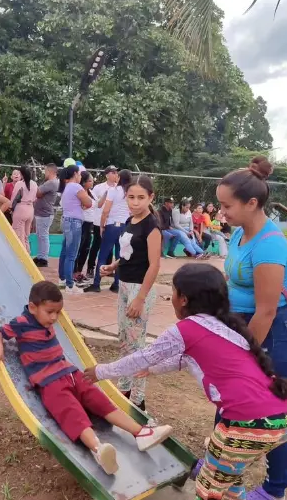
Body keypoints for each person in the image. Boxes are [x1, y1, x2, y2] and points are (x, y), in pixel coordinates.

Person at [84, 263, 287, 500]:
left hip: (246, 425)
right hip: (280, 419)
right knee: (228, 477)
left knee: (208, 488)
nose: (171, 297)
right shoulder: (225, 327)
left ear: (183, 299)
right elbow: (186, 360)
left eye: (173, 291)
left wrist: (101, 371)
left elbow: (144, 355)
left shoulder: (186, 329)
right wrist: (152, 370)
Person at [0, 281, 173, 475]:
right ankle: (99, 450)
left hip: (71, 373)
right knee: (73, 414)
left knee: (100, 401)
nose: (55, 317)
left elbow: (51, 316)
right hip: (49, 383)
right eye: (50, 312)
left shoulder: (45, 317)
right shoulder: (22, 323)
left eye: (58, 312)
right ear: (32, 307)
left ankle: (140, 432)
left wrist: (51, 315)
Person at [216, 155, 287, 500]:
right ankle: (220, 470)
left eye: (226, 205)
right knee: (229, 405)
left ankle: (274, 488)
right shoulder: (240, 233)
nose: (221, 212)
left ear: (252, 203)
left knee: (270, 417)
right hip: (243, 330)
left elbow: (265, 311)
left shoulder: (269, 245)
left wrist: (245, 353)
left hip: (272, 336)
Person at [94, 175, 161, 410]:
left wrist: (140, 298)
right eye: (131, 197)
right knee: (124, 339)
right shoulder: (130, 220)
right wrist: (113, 266)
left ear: (151, 198)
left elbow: (154, 264)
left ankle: (138, 400)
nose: (135, 202)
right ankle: (124, 387)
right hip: (124, 285)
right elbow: (127, 252)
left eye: (141, 198)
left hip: (139, 289)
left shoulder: (151, 226)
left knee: (137, 345)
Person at [84, 169, 132, 293]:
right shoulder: (130, 192)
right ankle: (116, 284)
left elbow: (106, 210)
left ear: (120, 178)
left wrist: (101, 225)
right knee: (120, 256)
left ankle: (96, 283)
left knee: (103, 255)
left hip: (112, 226)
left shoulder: (113, 190)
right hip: (125, 226)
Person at [58, 165, 93, 294]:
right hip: (74, 223)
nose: (80, 176)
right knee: (71, 254)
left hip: (67, 220)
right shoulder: (76, 187)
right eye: (79, 174)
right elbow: (88, 202)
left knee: (65, 252)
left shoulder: (67, 187)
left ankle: (62, 278)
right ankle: (70, 285)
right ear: (74, 174)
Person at [87, 166, 118, 277]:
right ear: (107, 175)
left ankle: (108, 268)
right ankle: (90, 268)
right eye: (113, 172)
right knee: (96, 245)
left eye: (116, 172)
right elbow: (95, 204)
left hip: (112, 221)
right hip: (98, 221)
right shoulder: (99, 188)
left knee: (109, 245)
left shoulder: (118, 188)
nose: (115, 174)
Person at [33, 163, 60, 268]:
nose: (45, 173)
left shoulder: (51, 183)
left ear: (50, 171)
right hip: (43, 212)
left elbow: (38, 192)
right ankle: (40, 256)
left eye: (46, 171)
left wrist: (39, 191)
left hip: (45, 213)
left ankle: (43, 258)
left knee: (43, 235)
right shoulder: (52, 182)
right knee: (40, 235)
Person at [73, 171, 95, 284]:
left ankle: (80, 271)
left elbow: (97, 204)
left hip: (90, 224)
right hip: (82, 222)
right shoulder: (81, 193)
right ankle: (74, 272)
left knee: (86, 248)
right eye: (90, 180)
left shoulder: (91, 192)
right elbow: (83, 207)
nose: (92, 182)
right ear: (84, 182)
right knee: (78, 248)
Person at [11, 166, 38, 252]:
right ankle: (28, 253)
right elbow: (36, 198)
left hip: (20, 209)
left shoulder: (19, 184)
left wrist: (11, 208)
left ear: (21, 174)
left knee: (19, 235)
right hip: (30, 209)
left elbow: (13, 198)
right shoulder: (34, 184)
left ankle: (22, 255)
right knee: (26, 235)